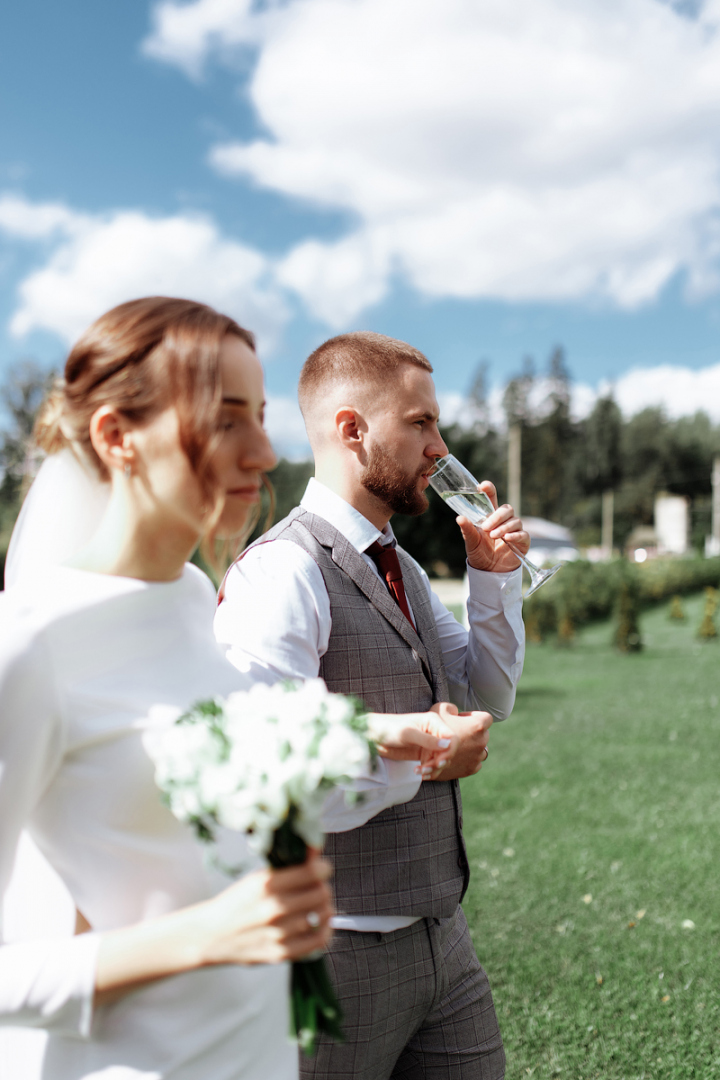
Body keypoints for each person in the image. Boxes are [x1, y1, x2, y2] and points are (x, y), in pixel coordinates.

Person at [0, 302, 455, 1080]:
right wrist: (206, 936)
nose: (263, 452)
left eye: (263, 417)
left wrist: (386, 743)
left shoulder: (186, 596)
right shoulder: (30, 646)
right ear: (117, 438)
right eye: (225, 420)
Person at [214, 331, 529, 1080]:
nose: (439, 447)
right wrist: (422, 758)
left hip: (444, 940)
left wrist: (493, 579)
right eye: (420, 424)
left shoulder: (408, 566)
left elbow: (489, 692)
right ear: (353, 430)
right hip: (334, 952)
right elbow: (269, 778)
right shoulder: (282, 573)